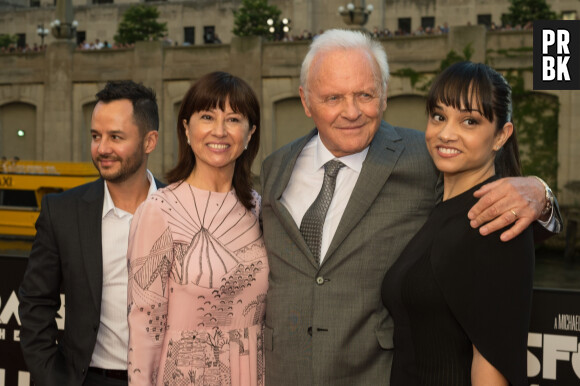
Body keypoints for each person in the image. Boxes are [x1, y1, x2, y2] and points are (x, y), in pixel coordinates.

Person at [259, 29, 560, 385]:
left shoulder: (426, 156)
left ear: (384, 96)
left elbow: (494, 222)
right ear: (306, 101)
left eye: (365, 95)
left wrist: (543, 196)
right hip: (282, 373)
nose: (351, 111)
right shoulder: (275, 166)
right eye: (333, 97)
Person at [382, 61, 535, 385]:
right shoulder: (441, 211)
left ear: (500, 136)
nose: (446, 133)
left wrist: (544, 194)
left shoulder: (496, 222)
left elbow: (492, 368)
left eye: (469, 121)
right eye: (439, 116)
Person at [127, 72, 268, 386]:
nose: (220, 131)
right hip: (187, 374)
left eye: (233, 119)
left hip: (255, 371)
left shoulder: (260, 209)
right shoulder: (159, 210)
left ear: (250, 134)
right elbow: (145, 323)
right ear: (186, 129)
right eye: (207, 116)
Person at [18, 80, 161, 386]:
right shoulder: (63, 212)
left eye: (116, 137)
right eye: (96, 136)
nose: (102, 148)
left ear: (150, 141)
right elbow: (35, 304)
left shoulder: (182, 208)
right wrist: (52, 378)